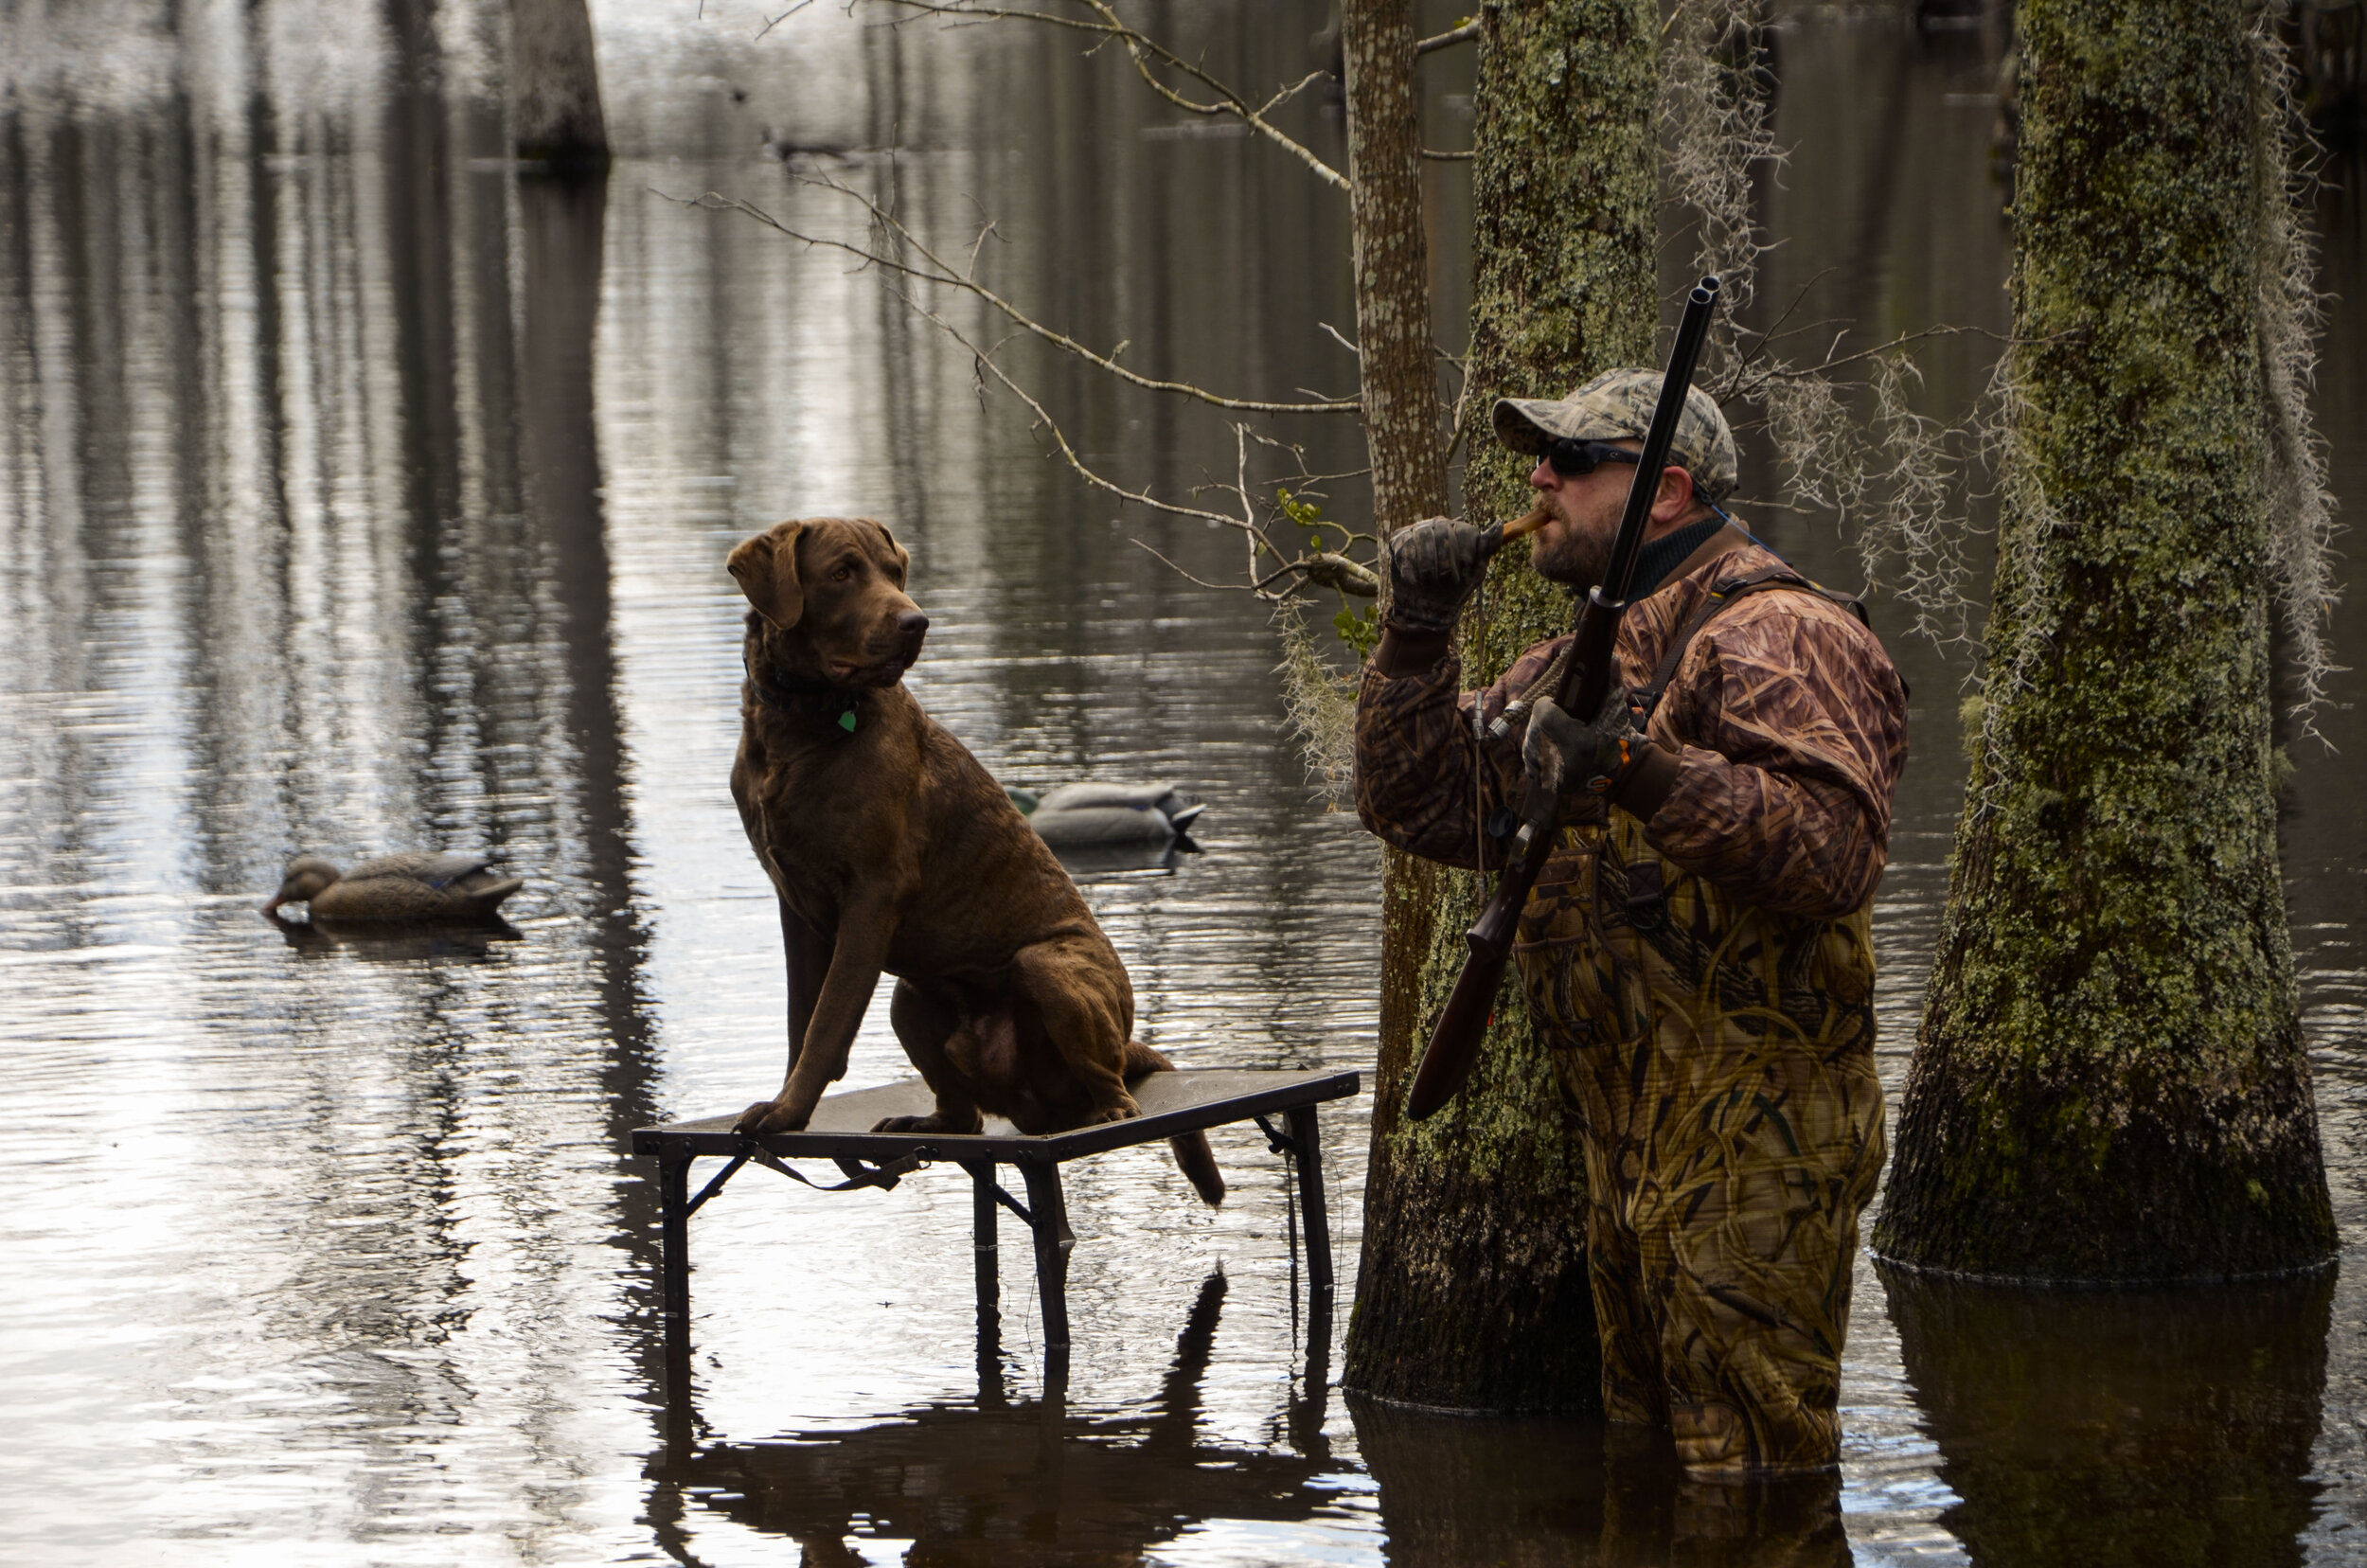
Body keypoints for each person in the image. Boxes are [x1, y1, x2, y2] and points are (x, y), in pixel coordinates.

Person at [1354, 368, 1909, 1476]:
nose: (1537, 477)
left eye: (1571, 461)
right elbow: (1419, 802)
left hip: (1760, 1135)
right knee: (1659, 1465)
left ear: (1665, 489)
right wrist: (1417, 636)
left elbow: (1831, 852)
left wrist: (1634, 768)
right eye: (1538, 458)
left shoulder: (1776, 631)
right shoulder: (1576, 660)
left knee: (1752, 1477)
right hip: (1627, 1138)